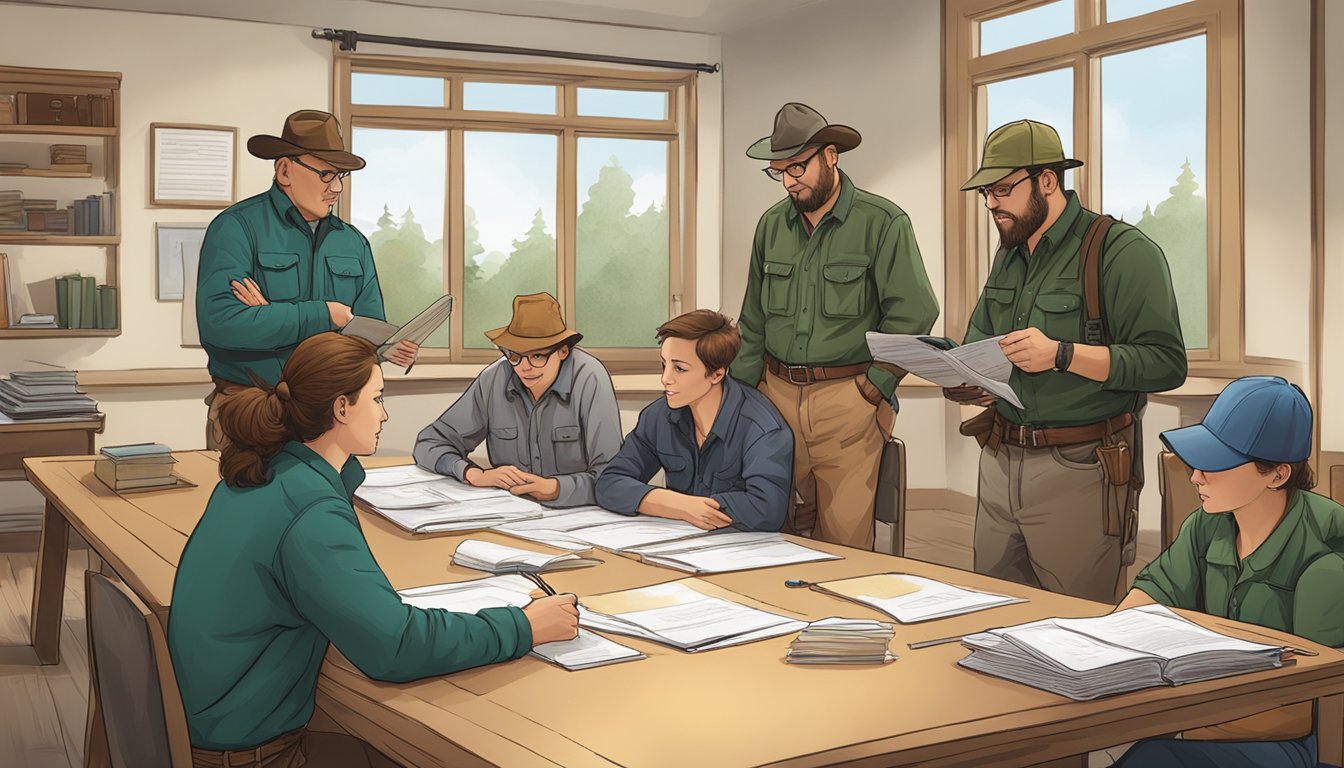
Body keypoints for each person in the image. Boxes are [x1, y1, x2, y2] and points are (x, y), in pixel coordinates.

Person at [168, 332, 577, 767]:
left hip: (213, 727)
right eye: (378, 398)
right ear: (341, 408)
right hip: (252, 754)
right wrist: (523, 627)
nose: (384, 415)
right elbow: (395, 647)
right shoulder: (309, 509)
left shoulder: (270, 472)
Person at [947, 119, 1186, 602]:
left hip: (1081, 467)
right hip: (999, 460)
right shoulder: (1009, 255)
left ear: (1048, 181)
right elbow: (980, 341)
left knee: (1075, 628)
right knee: (991, 616)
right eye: (986, 193)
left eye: (1003, 189)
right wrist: (962, 376)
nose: (992, 203)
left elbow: (1165, 363)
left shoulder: (1121, 251)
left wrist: (1062, 355)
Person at [731, 102, 939, 550]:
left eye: (798, 167)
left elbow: (914, 312)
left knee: (844, 545)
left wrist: (875, 386)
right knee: (764, 534)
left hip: (848, 401)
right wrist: (741, 399)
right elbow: (753, 321)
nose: (789, 181)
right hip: (773, 401)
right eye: (779, 172)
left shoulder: (882, 223)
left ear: (831, 156)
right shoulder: (770, 226)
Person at [1113, 376, 1343, 768]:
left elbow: (1314, 697)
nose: (1195, 476)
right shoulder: (1209, 524)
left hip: (1289, 742)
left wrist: (1181, 717)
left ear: (1277, 475)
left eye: (1216, 464)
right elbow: (1150, 596)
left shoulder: (1325, 555)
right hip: (1202, 717)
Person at [195, 109, 418, 450]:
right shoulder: (236, 228)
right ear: (285, 170)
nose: (337, 188)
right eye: (327, 174)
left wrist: (387, 347)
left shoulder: (353, 242)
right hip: (249, 414)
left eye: (340, 176)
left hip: (330, 420)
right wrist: (326, 316)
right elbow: (222, 325)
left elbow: (365, 334)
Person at [414, 293, 622, 506]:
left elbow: (613, 477)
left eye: (537, 356)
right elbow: (430, 442)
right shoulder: (495, 377)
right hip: (508, 511)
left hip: (577, 515)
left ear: (563, 350)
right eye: (514, 355)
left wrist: (556, 488)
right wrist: (472, 474)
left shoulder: (590, 378)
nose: (524, 367)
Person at [597, 310, 792, 531]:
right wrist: (682, 506)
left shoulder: (762, 427)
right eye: (664, 365)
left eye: (679, 368)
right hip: (676, 545)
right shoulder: (658, 416)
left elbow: (767, 510)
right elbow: (609, 483)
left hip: (747, 552)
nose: (665, 379)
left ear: (716, 375)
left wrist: (684, 507)